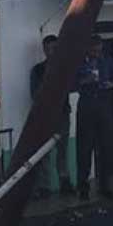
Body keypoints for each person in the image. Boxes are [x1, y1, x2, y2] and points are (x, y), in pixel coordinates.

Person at [75, 35, 113, 200]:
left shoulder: (107, 62)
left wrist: (112, 84)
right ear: (88, 48)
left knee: (105, 147)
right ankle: (83, 186)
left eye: (99, 49)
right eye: (94, 49)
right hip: (86, 106)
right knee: (84, 149)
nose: (96, 52)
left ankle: (105, 185)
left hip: (104, 105)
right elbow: (72, 83)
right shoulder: (80, 62)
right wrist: (85, 81)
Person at [29, 35, 75, 197]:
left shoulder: (64, 68)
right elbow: (34, 94)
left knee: (62, 150)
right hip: (45, 116)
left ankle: (64, 181)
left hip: (62, 114)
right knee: (44, 152)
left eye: (54, 48)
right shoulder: (38, 70)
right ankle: (45, 187)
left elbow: (72, 86)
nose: (51, 52)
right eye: (48, 49)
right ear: (44, 50)